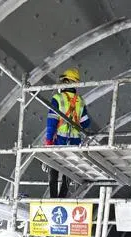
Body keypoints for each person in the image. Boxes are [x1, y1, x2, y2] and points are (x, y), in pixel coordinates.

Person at [45, 67, 93, 198]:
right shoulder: (80, 101)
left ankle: (53, 199)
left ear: (66, 82)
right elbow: (86, 123)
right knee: (69, 171)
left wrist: (48, 141)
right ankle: (62, 198)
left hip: (58, 141)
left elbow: (51, 122)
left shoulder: (57, 98)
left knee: (54, 169)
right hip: (74, 143)